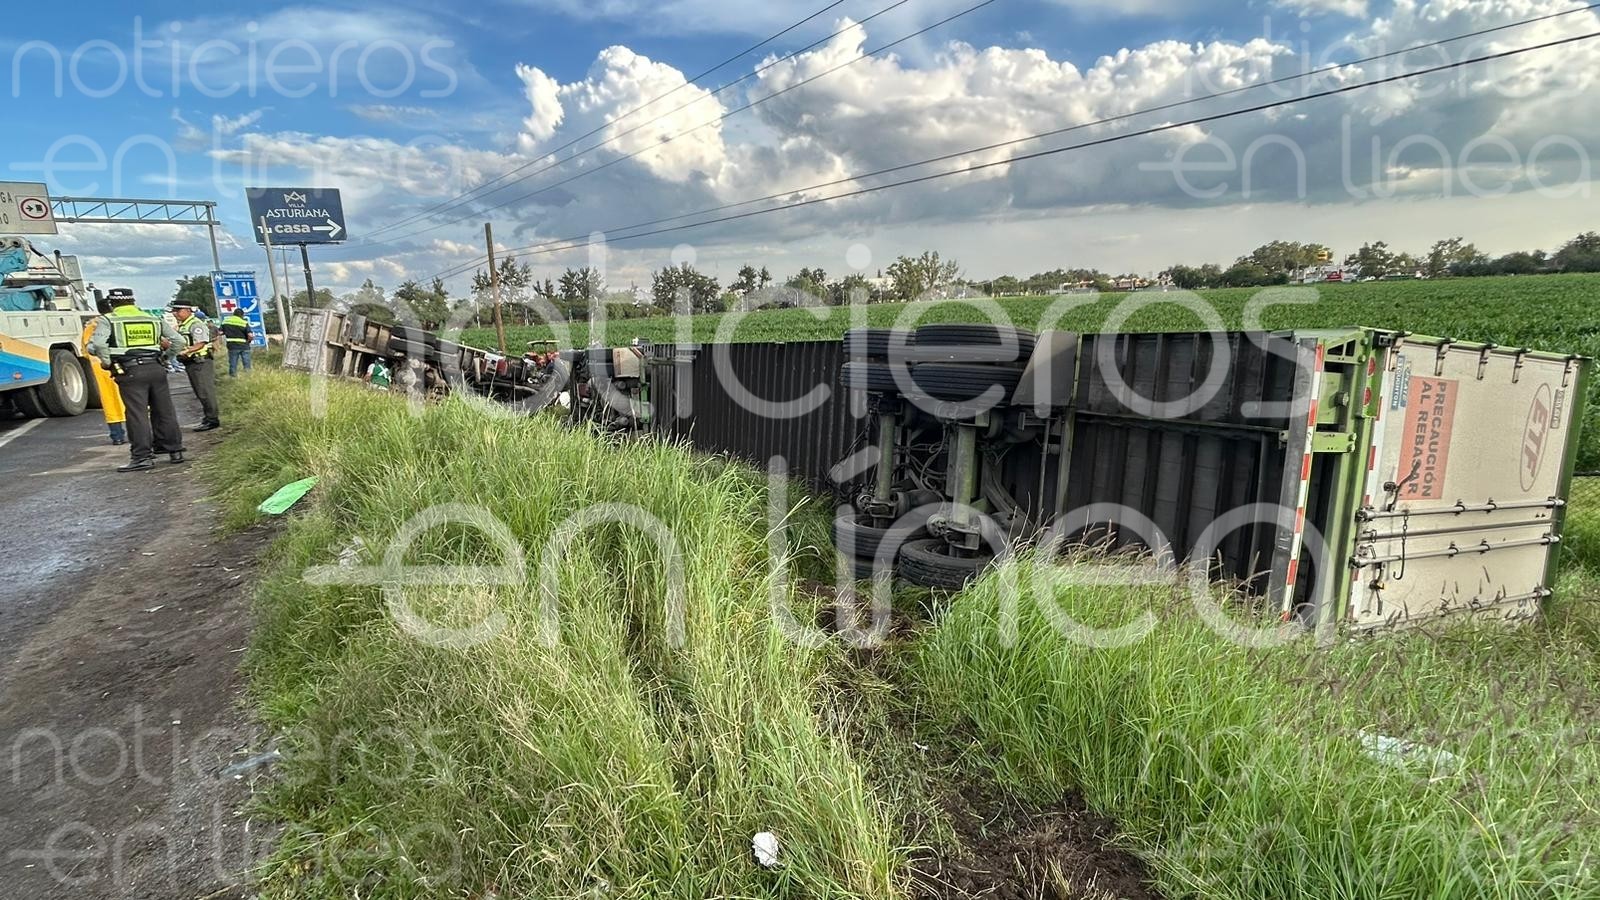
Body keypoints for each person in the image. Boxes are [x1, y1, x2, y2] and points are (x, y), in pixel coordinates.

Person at [86, 288, 186, 472]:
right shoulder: (152, 318)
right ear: (133, 301)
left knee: (137, 413)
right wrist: (165, 358)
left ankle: (142, 457)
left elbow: (98, 345)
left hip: (129, 370)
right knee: (165, 410)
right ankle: (174, 450)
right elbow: (179, 341)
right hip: (156, 368)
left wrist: (107, 361)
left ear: (111, 303)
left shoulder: (108, 320)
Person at [79, 297, 127, 445]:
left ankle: (117, 436)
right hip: (123, 364)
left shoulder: (92, 325)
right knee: (133, 399)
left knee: (110, 401)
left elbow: (86, 349)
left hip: (101, 368)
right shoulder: (118, 321)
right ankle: (140, 433)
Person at [171, 301, 222, 431]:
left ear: (188, 311)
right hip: (192, 362)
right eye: (174, 311)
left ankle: (212, 420)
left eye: (178, 310)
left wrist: (187, 351)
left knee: (205, 391)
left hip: (200, 362)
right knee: (200, 391)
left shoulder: (195, 324)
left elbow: (201, 343)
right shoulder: (184, 325)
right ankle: (208, 417)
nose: (175, 313)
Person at [220, 308, 253, 376]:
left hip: (232, 346)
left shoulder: (226, 321)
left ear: (234, 314)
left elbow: (220, 332)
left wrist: (227, 332)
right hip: (244, 346)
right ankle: (248, 376)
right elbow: (250, 335)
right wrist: (249, 341)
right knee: (246, 363)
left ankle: (233, 377)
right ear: (242, 315)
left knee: (233, 362)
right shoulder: (244, 322)